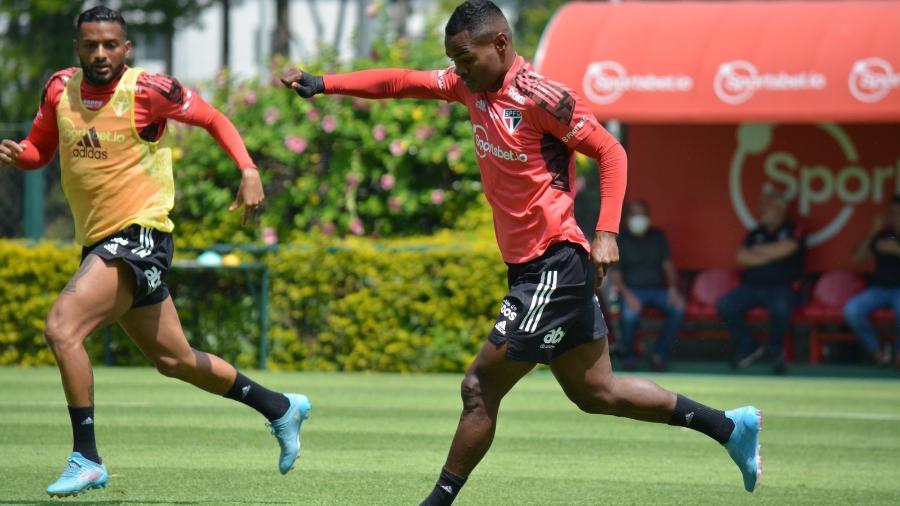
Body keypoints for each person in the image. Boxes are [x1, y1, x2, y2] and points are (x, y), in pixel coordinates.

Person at [280, 1, 760, 503]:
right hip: (531, 268)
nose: (458, 71)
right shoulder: (469, 84)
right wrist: (323, 82)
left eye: (466, 59)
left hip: (556, 262)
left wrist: (608, 231)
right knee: (597, 393)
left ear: (500, 45)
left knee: (478, 387)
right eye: (455, 61)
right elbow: (402, 81)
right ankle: (730, 428)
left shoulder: (543, 98)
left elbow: (611, 152)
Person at [0, 7, 310, 498]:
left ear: (127, 48)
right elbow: (41, 150)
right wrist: (23, 156)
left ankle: (87, 458)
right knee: (175, 359)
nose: (100, 54)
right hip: (100, 240)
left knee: (62, 327)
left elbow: (212, 117)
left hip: (140, 234)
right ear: (77, 49)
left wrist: (248, 170)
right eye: (90, 45)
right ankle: (280, 408)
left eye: (110, 45)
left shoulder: (149, 91)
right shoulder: (60, 88)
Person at [717, 189, 804, 374]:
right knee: (725, 304)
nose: (762, 210)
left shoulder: (793, 228)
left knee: (780, 308)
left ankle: (775, 352)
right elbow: (742, 256)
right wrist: (774, 253)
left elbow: (788, 248)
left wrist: (758, 252)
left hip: (783, 287)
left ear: (779, 209)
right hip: (752, 287)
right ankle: (750, 346)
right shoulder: (756, 231)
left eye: (767, 206)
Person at [610, 200, 685, 372]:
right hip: (631, 292)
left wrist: (673, 291)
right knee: (629, 316)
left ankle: (659, 355)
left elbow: (668, 266)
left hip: (657, 291)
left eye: (642, 214)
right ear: (627, 217)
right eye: (634, 214)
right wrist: (628, 296)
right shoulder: (621, 240)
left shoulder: (658, 236)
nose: (639, 218)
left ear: (648, 217)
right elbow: (615, 275)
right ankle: (629, 358)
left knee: (678, 308)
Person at [844, 195, 900, 368]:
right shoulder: (886, 235)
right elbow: (856, 259)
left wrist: (897, 250)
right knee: (852, 310)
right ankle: (878, 353)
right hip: (879, 289)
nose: (895, 217)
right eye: (893, 213)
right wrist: (872, 233)